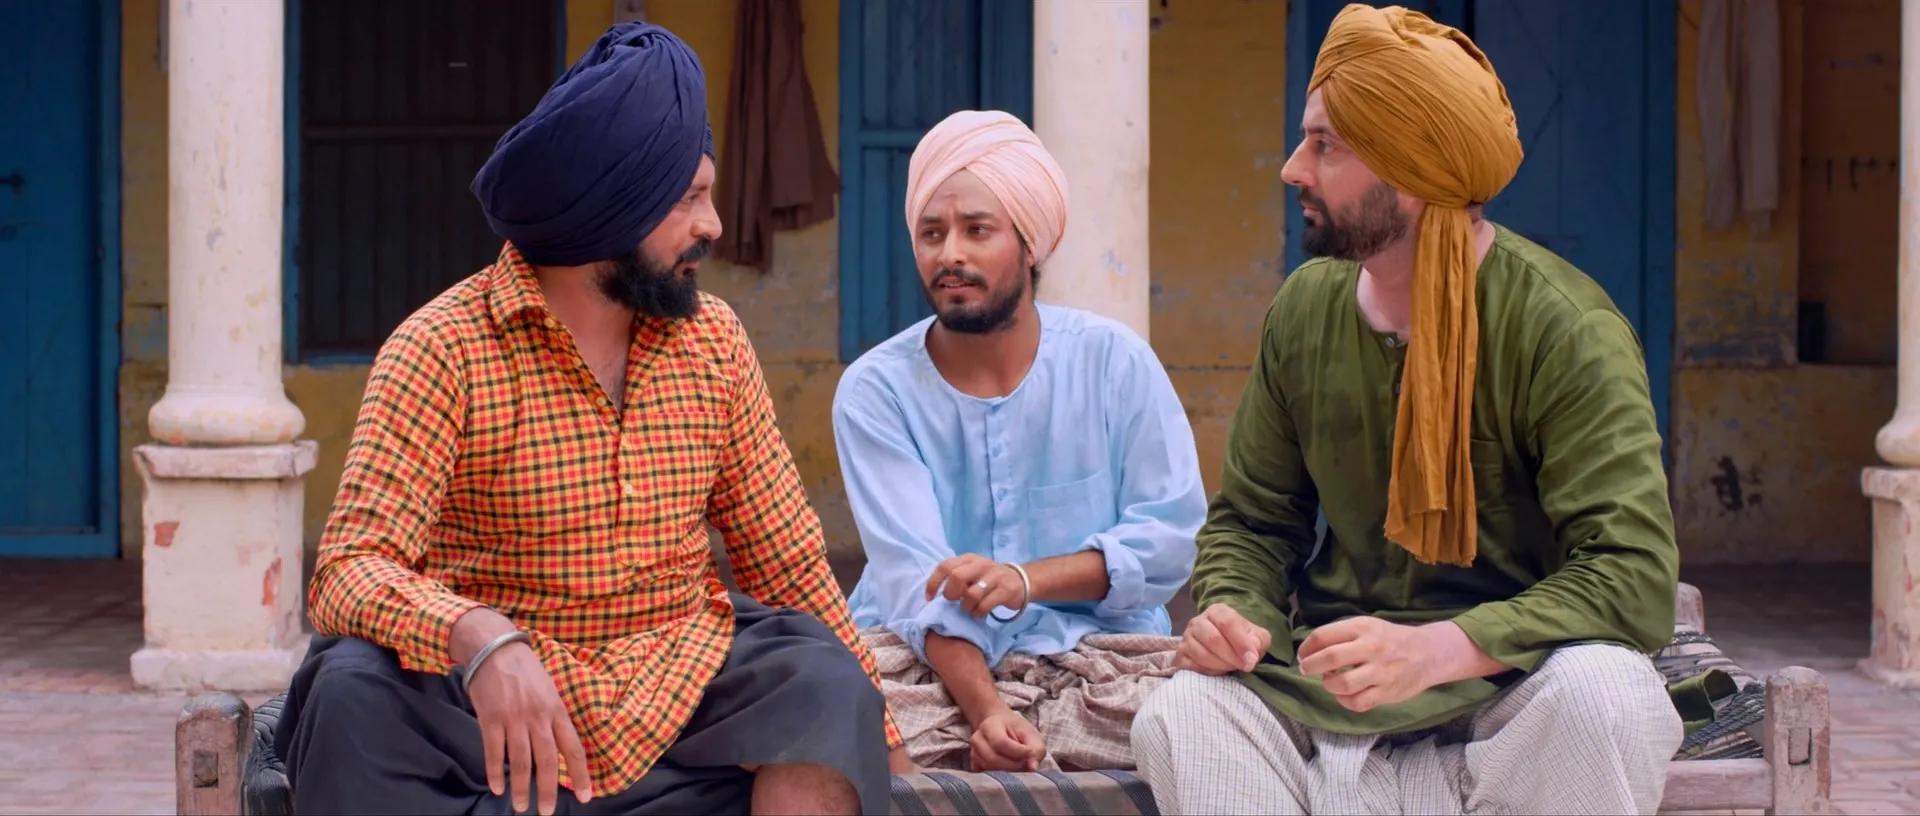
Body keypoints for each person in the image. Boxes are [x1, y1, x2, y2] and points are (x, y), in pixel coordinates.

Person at [272, 23, 898, 816]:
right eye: (688, 198)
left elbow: (787, 561)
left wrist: (880, 737)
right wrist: (479, 637)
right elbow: (350, 570)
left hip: (678, 686)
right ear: (610, 209)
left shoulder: (713, 341)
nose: (712, 223)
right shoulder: (443, 347)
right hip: (489, 712)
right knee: (347, 696)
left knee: (821, 681)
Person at [1131, 6, 1685, 815]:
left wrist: (1441, 649)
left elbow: (1632, 575)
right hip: (1329, 693)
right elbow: (1253, 524)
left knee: (1607, 696)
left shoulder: (1566, 330)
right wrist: (1234, 615)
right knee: (1184, 714)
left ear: (1412, 174)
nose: (1292, 168)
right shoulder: (1305, 311)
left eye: (1325, 145)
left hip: (1510, 695)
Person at [833, 110, 1206, 774]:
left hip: (1100, 659)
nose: (950, 254)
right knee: (833, 726)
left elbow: (1170, 538)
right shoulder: (875, 391)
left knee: (1209, 724)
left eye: (977, 230)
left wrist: (1027, 581)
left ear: (1030, 245)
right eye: (932, 233)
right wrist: (989, 713)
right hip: (925, 665)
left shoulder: (1114, 362)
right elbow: (916, 584)